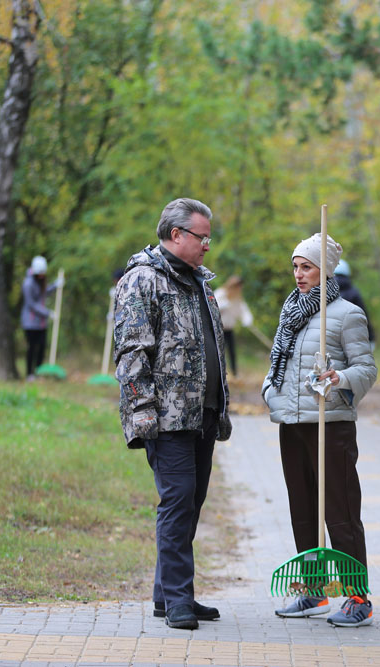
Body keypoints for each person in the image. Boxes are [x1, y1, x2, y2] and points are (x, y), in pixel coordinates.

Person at [113, 198, 232, 630]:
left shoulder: (199, 281)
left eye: (208, 238)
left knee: (192, 501)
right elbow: (131, 353)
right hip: (167, 419)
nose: (207, 245)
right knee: (178, 502)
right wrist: (142, 414)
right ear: (176, 234)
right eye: (202, 237)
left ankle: (168, 595)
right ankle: (180, 599)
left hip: (202, 414)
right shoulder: (142, 281)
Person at [262, 232, 377, 627]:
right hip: (292, 426)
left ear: (325, 271)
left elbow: (367, 369)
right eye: (295, 266)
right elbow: (279, 365)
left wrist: (339, 377)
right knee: (303, 511)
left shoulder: (347, 314)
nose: (298, 274)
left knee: (341, 511)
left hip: (331, 425)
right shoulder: (290, 311)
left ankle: (357, 596)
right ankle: (313, 591)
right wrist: (269, 390)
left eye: (306, 266)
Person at [20, 255, 61, 380]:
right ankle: (29, 374)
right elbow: (31, 304)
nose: (42, 275)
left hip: (41, 323)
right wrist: (47, 313)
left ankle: (38, 372)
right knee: (31, 348)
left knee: (42, 347)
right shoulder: (28, 284)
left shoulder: (40, 281)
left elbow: (43, 293)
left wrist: (55, 286)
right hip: (30, 322)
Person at [215, 275, 254, 376]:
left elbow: (243, 310)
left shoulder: (237, 298)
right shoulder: (221, 293)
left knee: (232, 352)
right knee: (219, 352)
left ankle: (234, 373)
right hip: (218, 329)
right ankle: (219, 373)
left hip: (229, 328)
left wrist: (247, 319)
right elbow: (213, 307)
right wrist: (223, 305)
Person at [334, 260, 375, 343]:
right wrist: (370, 336)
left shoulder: (323, 292)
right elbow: (363, 315)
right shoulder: (354, 293)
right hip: (352, 338)